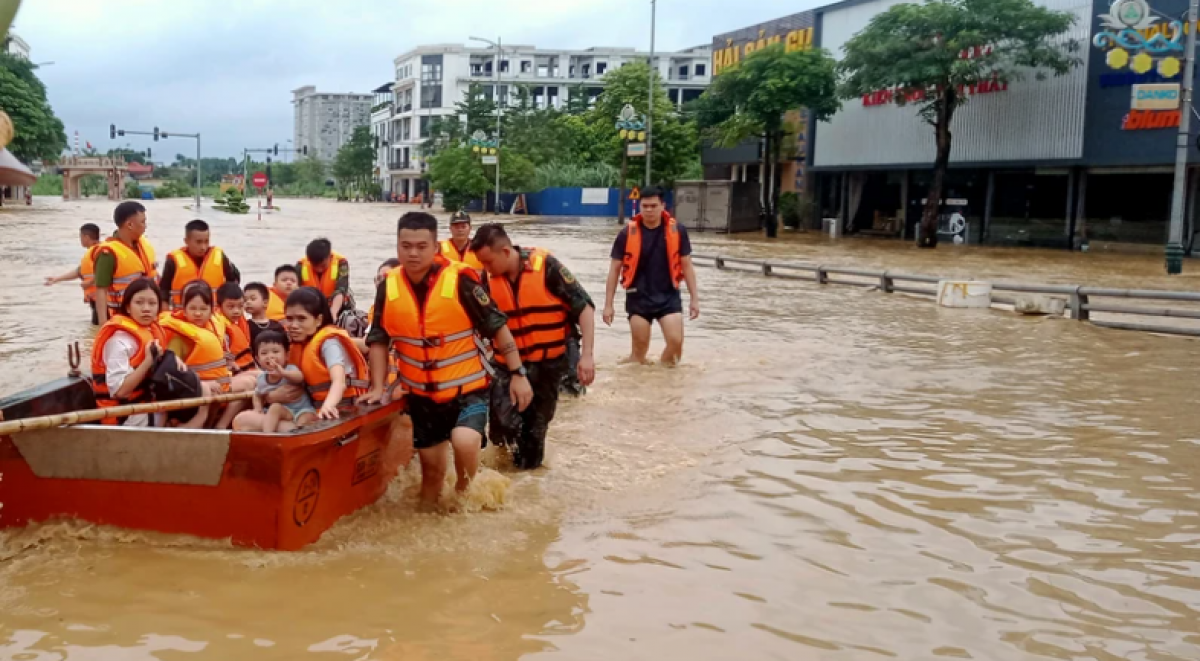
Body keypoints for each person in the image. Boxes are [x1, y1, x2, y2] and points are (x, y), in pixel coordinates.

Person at [361, 212, 533, 506]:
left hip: (468, 388)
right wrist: (377, 387)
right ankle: (430, 516)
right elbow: (378, 340)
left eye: (421, 246)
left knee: (465, 441)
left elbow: (499, 328)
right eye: (406, 246)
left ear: (435, 247)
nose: (413, 253)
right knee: (431, 474)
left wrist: (518, 374)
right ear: (397, 246)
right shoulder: (387, 287)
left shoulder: (461, 280)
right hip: (423, 395)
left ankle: (466, 495)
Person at [471, 223, 596, 469]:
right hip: (506, 364)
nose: (485, 269)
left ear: (506, 252)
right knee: (502, 427)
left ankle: (527, 485)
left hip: (548, 364)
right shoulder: (487, 280)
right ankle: (502, 476)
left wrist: (587, 356)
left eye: (488, 262)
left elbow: (585, 308)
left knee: (534, 434)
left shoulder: (547, 267)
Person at [603, 186, 700, 365]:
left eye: (653, 206)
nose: (649, 210)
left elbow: (686, 265)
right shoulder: (626, 234)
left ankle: (661, 380)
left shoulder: (677, 230)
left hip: (668, 296)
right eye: (645, 206)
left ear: (663, 206)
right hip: (638, 297)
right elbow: (614, 270)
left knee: (676, 343)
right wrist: (608, 305)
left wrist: (695, 299)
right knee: (639, 353)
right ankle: (640, 384)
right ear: (639, 206)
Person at [90, 278, 203, 428]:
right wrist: (147, 362)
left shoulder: (151, 331)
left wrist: (171, 357)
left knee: (203, 390)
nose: (146, 308)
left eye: (152, 303)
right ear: (128, 307)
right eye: (139, 302)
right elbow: (120, 392)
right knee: (200, 402)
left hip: (145, 403)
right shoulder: (119, 341)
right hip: (123, 416)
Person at [159, 280, 247, 429]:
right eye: (192, 308)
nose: (198, 313)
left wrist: (230, 364)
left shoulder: (213, 327)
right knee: (210, 392)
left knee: (253, 381)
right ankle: (196, 428)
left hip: (218, 382)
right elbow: (173, 372)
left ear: (211, 310)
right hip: (196, 387)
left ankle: (220, 425)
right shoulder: (179, 338)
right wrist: (202, 384)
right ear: (184, 310)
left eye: (203, 308)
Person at [283, 287, 370, 420]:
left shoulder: (329, 343)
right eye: (289, 319)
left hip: (343, 409)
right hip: (311, 408)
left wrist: (328, 406)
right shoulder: (298, 345)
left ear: (318, 320)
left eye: (301, 319)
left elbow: (339, 382)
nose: (294, 325)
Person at [235, 330, 317, 433]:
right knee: (274, 407)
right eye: (264, 353)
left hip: (302, 410)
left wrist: (283, 373)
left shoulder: (289, 369)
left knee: (307, 418)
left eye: (275, 352)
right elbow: (257, 394)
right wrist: (258, 408)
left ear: (286, 355)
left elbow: (300, 377)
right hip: (284, 411)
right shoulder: (262, 378)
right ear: (258, 359)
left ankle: (298, 433)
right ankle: (268, 435)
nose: (270, 356)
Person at [92, 201, 158, 326]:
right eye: (143, 222)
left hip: (147, 315)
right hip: (122, 318)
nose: (146, 226)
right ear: (129, 225)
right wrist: (103, 324)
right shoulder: (108, 253)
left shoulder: (143, 245)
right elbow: (101, 290)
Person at [159, 219, 241, 310]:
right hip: (182, 317)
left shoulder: (219, 256)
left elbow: (233, 285)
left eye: (206, 241)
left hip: (214, 316)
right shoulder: (173, 260)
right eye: (198, 242)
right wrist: (164, 315)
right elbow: (163, 291)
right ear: (186, 241)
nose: (203, 247)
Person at [44, 223, 103, 324]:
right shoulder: (92, 252)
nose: (80, 239)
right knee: (95, 329)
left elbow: (105, 271)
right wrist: (57, 279)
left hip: (102, 299)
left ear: (86, 237)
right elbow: (79, 272)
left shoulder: (99, 251)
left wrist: (89, 283)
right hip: (95, 299)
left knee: (100, 329)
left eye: (80, 236)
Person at [298, 238, 354, 320]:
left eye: (323, 266)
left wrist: (333, 313)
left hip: (337, 304)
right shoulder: (300, 266)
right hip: (310, 306)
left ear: (329, 257)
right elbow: (294, 290)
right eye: (315, 266)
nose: (319, 269)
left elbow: (341, 289)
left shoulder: (341, 263)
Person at [216, 282, 257, 387]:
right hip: (232, 373)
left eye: (240, 306)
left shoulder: (239, 324)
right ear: (219, 306)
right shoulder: (219, 328)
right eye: (231, 307)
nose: (236, 311)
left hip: (244, 369)